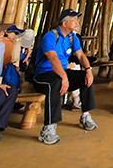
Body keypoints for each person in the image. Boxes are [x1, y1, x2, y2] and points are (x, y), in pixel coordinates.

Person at [32, 9, 97, 145]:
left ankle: (85, 116)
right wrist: (64, 77)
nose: (77, 23)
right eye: (74, 20)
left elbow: (81, 55)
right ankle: (48, 128)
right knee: (54, 83)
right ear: (65, 23)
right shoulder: (50, 36)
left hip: (62, 73)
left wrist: (89, 70)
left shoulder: (73, 38)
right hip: (43, 75)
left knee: (85, 79)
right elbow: (53, 59)